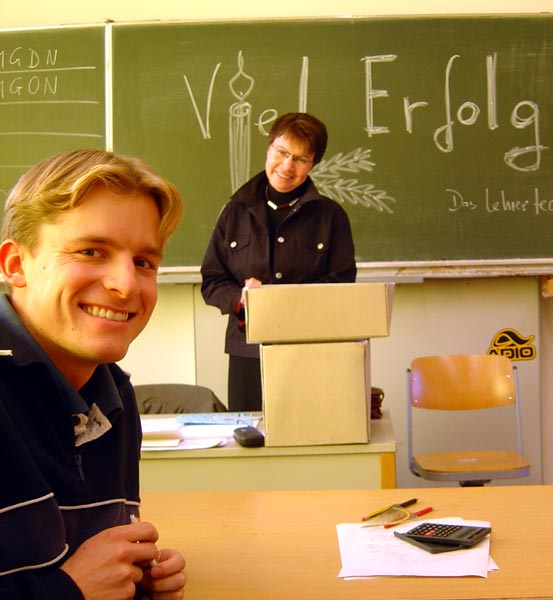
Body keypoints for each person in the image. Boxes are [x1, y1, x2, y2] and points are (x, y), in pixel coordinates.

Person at [0, 149, 187, 600]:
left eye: (143, 262)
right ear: (16, 265)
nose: (126, 284)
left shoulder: (112, 393)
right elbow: (73, 583)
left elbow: (83, 559)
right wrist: (69, 590)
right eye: (90, 251)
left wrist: (135, 575)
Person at [201, 112, 357, 412]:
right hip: (247, 350)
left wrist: (283, 301)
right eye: (282, 152)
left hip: (309, 349)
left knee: (307, 430)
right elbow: (213, 281)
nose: (287, 166)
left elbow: (340, 284)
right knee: (250, 432)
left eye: (300, 159)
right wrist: (241, 299)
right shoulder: (235, 211)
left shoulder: (331, 217)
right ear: (269, 147)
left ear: (313, 164)